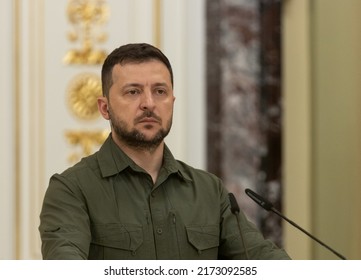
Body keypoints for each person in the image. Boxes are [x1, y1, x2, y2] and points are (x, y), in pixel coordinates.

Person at [39, 43, 290, 260]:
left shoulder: (208, 191)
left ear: (172, 102)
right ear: (105, 108)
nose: (149, 103)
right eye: (133, 91)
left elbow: (261, 259)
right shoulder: (71, 190)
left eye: (160, 91)